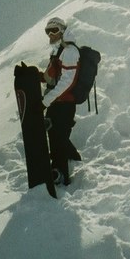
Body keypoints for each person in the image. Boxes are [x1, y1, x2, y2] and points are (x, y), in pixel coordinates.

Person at [41, 16, 83, 185]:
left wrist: (45, 101)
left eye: (55, 30)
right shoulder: (58, 51)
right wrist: (31, 75)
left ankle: (60, 172)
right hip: (56, 102)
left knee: (58, 136)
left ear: (63, 31)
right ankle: (74, 160)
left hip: (65, 103)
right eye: (48, 31)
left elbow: (67, 81)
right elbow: (51, 79)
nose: (51, 34)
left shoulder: (70, 52)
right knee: (55, 134)